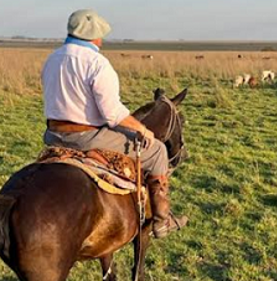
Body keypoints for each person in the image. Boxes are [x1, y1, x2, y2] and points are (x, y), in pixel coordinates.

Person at [41, 9, 188, 239]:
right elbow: (112, 114)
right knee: (158, 150)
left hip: (53, 135)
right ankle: (162, 220)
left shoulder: (53, 58)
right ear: (95, 36)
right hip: (87, 136)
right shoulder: (97, 63)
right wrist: (141, 128)